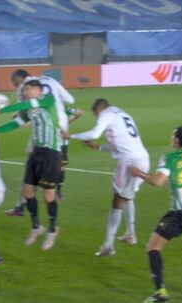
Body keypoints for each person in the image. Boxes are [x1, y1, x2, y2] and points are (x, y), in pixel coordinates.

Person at [68, 98, 150, 256]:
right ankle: (131, 234)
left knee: (117, 200)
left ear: (99, 110)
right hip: (142, 158)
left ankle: (108, 245)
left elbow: (94, 133)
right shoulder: (122, 114)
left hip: (128, 160)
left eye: (96, 115)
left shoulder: (106, 114)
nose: (98, 118)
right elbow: (119, 144)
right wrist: (97, 147)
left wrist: (71, 136)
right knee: (128, 196)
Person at [0, 80, 62, 250]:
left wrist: (0, 110)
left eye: (29, 89)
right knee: (28, 191)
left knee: (48, 196)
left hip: (51, 153)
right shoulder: (28, 109)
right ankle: (36, 226)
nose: (26, 93)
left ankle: (53, 230)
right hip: (36, 152)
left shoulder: (48, 99)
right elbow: (15, 124)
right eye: (25, 90)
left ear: (39, 90)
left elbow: (29, 102)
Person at [5, 69, 76, 217]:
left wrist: (7, 112)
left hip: (42, 128)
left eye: (14, 83)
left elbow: (23, 111)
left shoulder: (24, 88)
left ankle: (21, 206)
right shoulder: (50, 80)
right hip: (62, 126)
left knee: (31, 166)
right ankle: (57, 190)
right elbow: (70, 100)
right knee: (59, 161)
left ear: (19, 80)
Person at [130, 126, 182, 303]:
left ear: (177, 140)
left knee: (153, 247)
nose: (171, 138)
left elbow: (157, 181)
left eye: (173, 135)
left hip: (179, 213)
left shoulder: (169, 157)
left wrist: (138, 172)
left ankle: (160, 292)